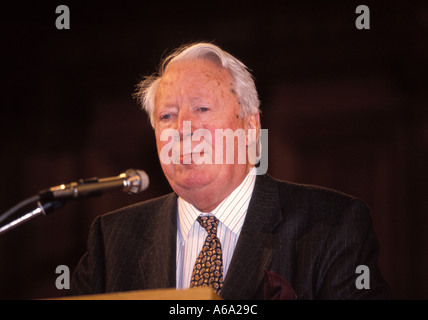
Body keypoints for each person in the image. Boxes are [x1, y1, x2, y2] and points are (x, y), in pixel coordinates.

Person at [68, 42, 390, 299]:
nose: (182, 129)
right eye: (167, 116)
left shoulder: (333, 226)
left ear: (250, 128)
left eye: (202, 109)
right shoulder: (111, 241)